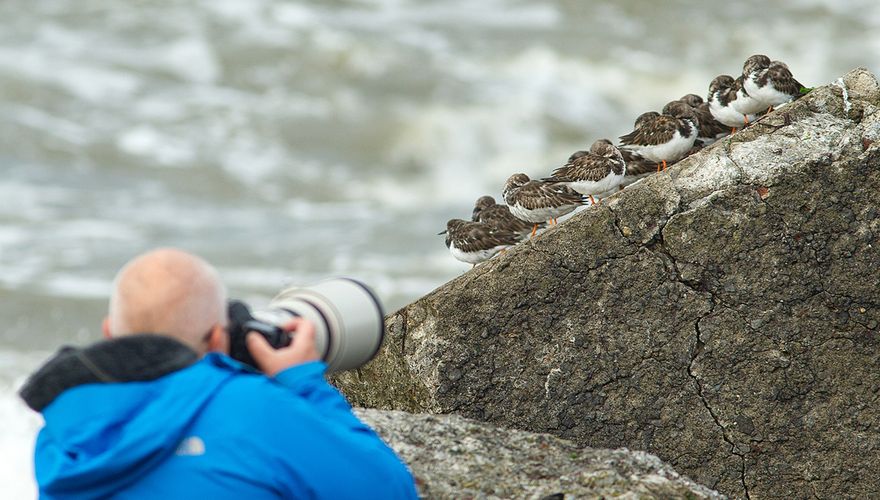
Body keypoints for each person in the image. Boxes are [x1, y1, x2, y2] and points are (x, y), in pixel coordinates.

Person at [19, 248, 419, 499]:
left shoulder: (59, 434)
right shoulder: (254, 410)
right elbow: (389, 489)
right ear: (217, 338)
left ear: (109, 333)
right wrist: (303, 383)